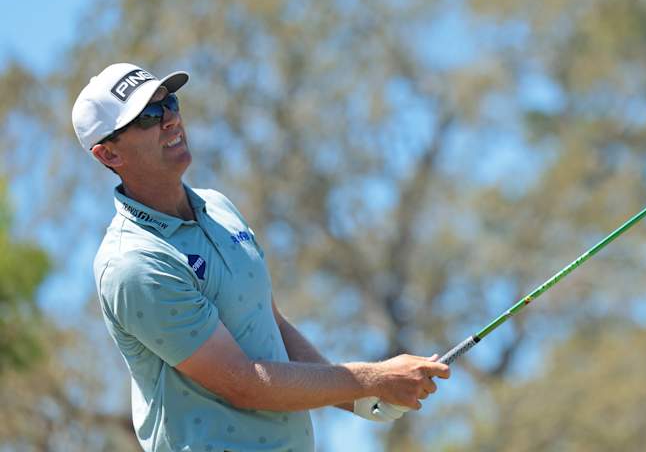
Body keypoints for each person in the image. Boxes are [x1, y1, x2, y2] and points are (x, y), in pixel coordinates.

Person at [72, 63, 450, 452]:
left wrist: (357, 399)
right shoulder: (135, 263)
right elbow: (243, 383)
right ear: (109, 154)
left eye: (170, 103)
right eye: (149, 117)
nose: (170, 120)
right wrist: (371, 378)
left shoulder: (217, 207)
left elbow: (273, 323)